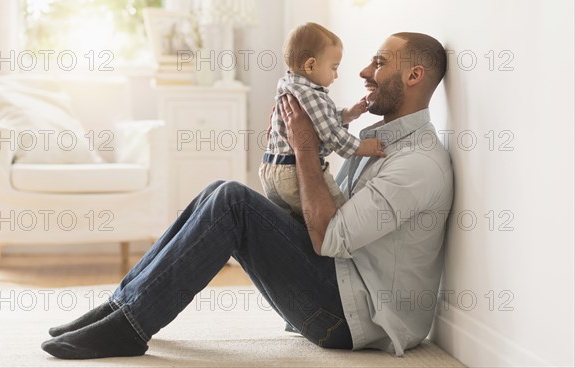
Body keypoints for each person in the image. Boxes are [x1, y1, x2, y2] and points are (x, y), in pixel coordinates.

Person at [41, 32, 453, 359]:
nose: (365, 71)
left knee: (233, 202)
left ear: (414, 76)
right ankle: (119, 308)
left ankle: (128, 327)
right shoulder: (384, 143)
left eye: (379, 63)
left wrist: (305, 148)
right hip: (342, 286)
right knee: (219, 191)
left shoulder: (416, 163)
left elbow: (328, 236)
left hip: (351, 319)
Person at [260, 22, 386, 216]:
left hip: (272, 169)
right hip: (292, 172)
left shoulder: (289, 85)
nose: (336, 75)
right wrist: (362, 148)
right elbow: (330, 133)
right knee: (339, 215)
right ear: (311, 65)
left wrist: (348, 114)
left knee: (294, 223)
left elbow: (318, 120)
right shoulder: (311, 95)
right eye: (334, 68)